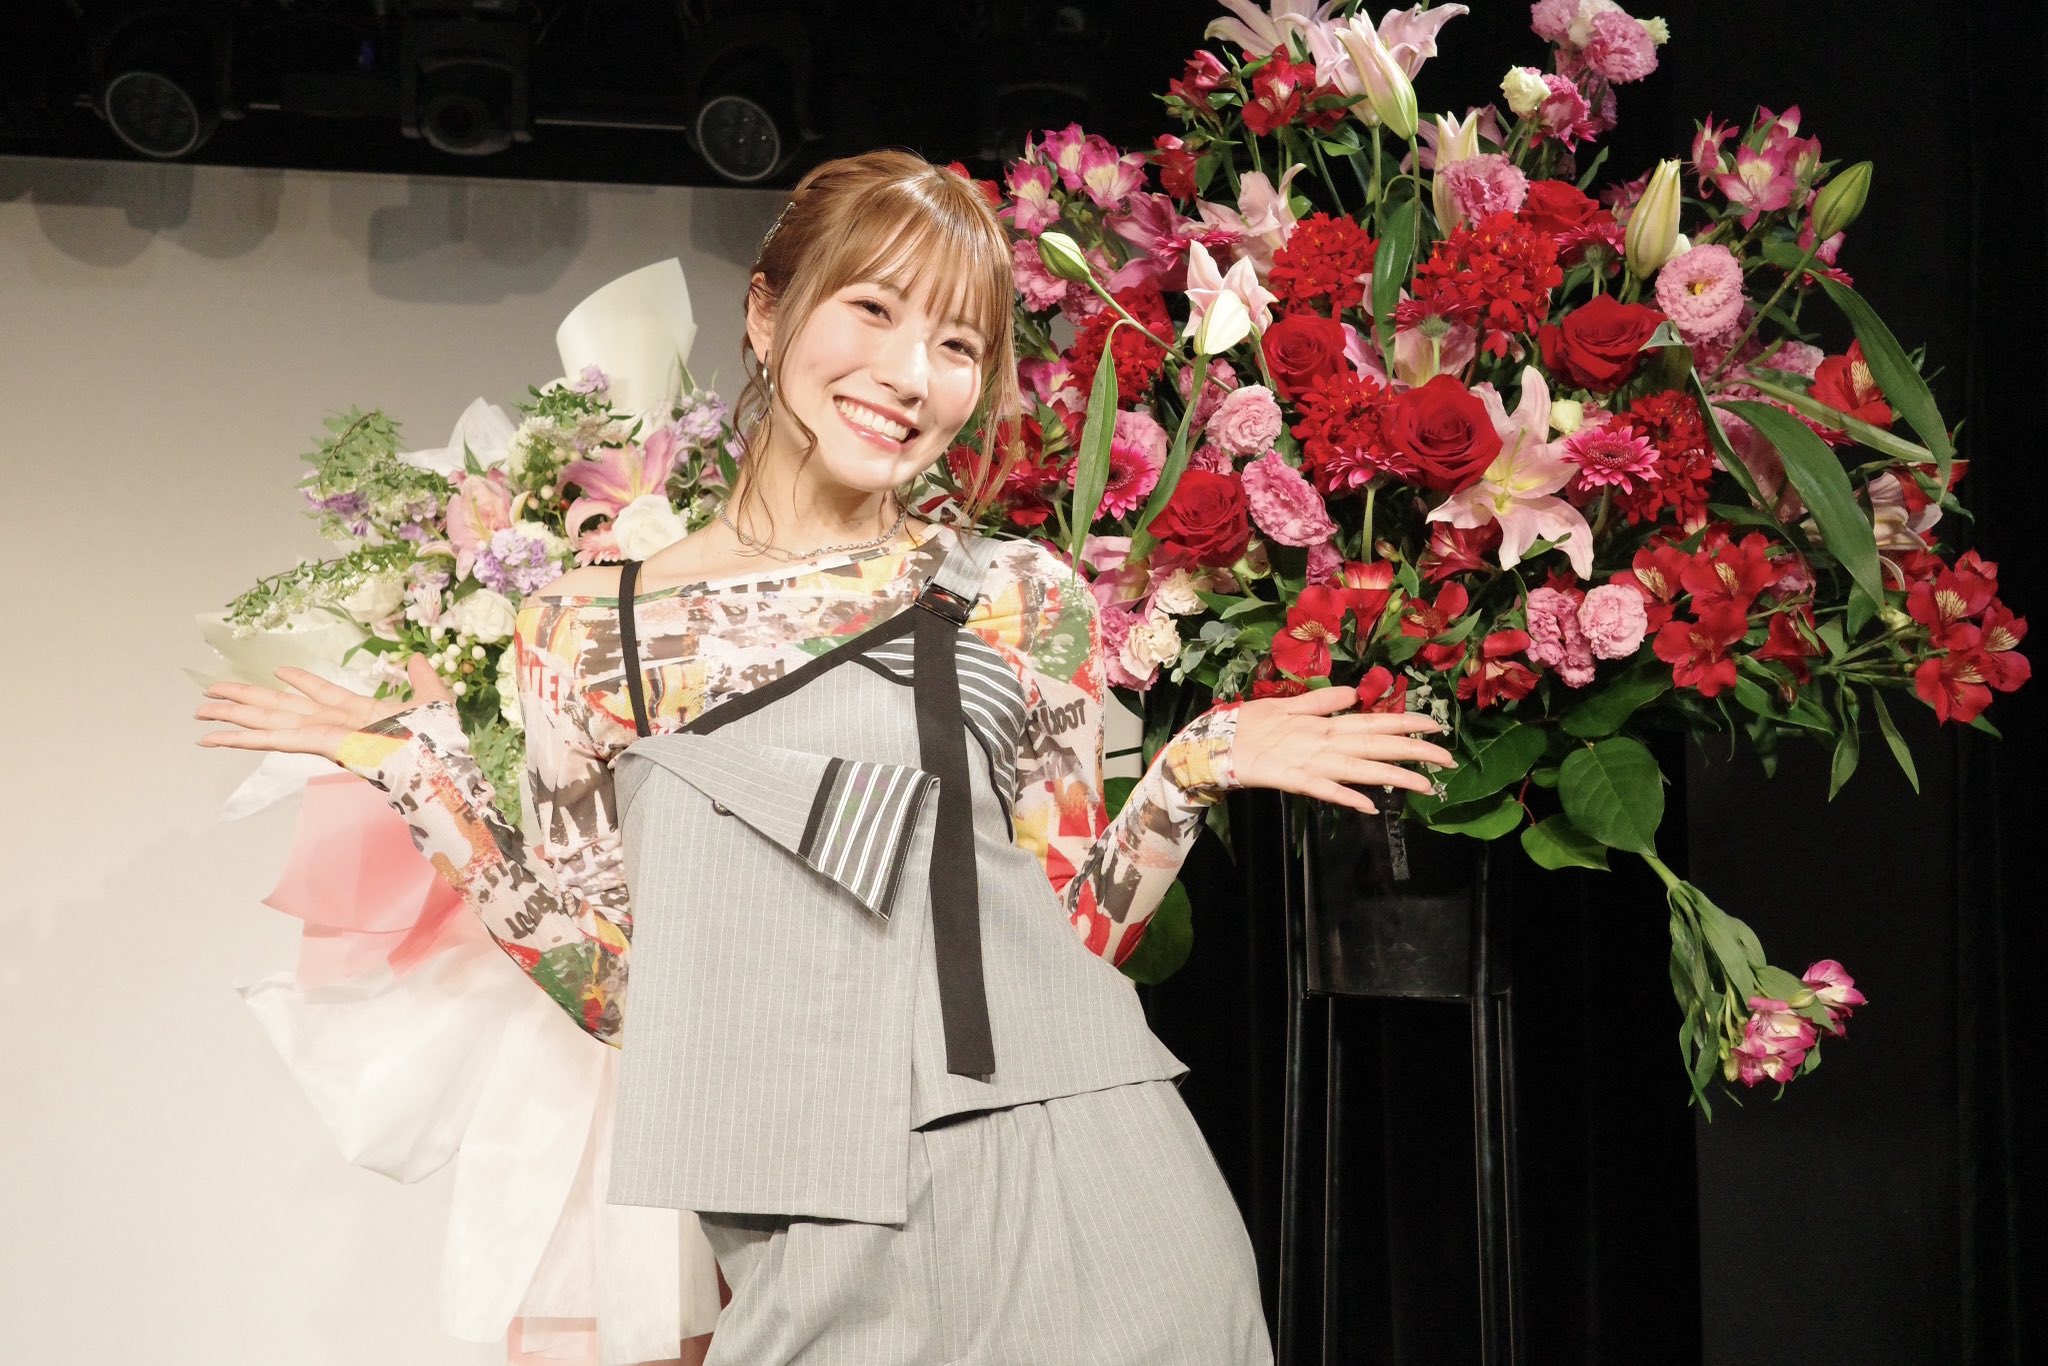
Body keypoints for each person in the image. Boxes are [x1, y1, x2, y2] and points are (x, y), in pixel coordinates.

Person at [198, 149, 1454, 1364]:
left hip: (1089, 1188)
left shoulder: (1017, 594)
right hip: (809, 1208)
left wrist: (1188, 769)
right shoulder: (587, 632)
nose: (909, 375)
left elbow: (1060, 947)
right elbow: (627, 995)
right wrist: (425, 781)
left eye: (956, 345)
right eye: (873, 310)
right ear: (766, 314)